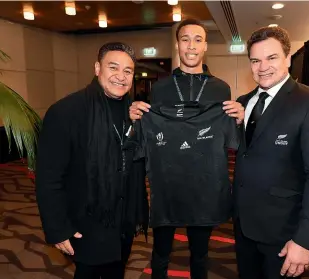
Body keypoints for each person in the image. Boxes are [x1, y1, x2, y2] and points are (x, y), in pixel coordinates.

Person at [129, 18, 244, 279]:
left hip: (204, 185)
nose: (191, 46)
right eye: (185, 39)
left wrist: (238, 119)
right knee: (160, 252)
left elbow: (233, 138)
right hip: (167, 184)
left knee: (200, 253)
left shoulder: (221, 88)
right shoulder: (160, 88)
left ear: (205, 47)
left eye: (198, 40)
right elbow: (153, 128)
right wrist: (136, 116)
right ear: (178, 45)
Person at [233, 26, 309, 279]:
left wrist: (304, 241)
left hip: (283, 232)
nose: (262, 67)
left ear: (288, 58)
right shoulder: (244, 102)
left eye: (272, 58)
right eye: (255, 60)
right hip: (243, 226)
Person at [36, 42, 148, 279]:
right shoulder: (66, 112)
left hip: (122, 223)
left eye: (128, 71)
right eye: (113, 68)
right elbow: (48, 177)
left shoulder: (133, 112)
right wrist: (57, 228)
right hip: (86, 224)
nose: (121, 76)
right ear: (97, 68)